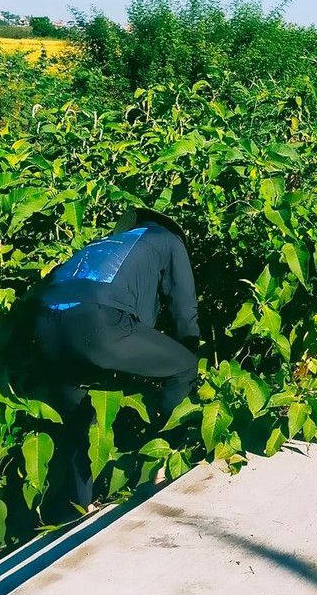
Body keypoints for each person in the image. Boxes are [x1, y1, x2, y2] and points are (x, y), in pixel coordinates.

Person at [29, 209, 200, 508]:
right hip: (97, 323)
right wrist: (187, 357)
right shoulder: (168, 239)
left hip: (42, 324)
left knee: (76, 421)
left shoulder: (104, 245)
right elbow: (183, 312)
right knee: (183, 365)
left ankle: (81, 505)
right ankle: (163, 465)